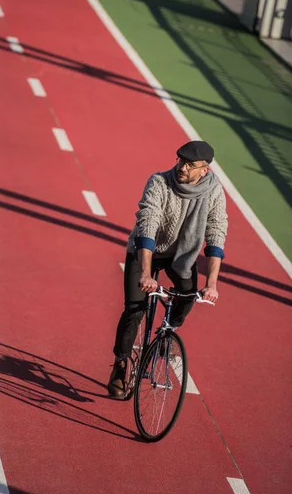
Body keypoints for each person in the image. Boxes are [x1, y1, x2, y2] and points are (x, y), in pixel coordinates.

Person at [108, 140, 228, 399]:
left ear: (204, 170)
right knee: (134, 310)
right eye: (179, 160)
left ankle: (168, 330)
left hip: (180, 256)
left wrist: (213, 284)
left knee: (187, 298)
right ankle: (120, 364)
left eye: (189, 164)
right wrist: (145, 273)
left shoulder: (214, 191)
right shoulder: (159, 182)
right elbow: (147, 223)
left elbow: (216, 233)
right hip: (145, 251)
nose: (182, 167)